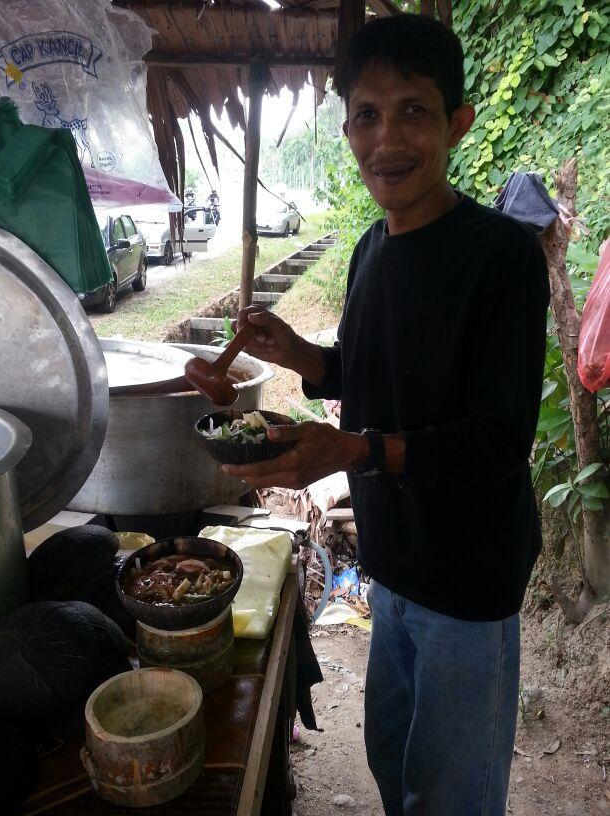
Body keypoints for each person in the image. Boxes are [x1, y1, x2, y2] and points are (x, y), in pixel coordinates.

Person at [223, 13, 550, 816]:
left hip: (469, 585)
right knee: (390, 760)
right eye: (367, 115)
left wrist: (354, 453)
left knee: (451, 797)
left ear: (457, 123)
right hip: (392, 570)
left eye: (414, 110)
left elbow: (499, 439)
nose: (388, 139)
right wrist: (300, 354)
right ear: (348, 128)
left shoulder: (500, 257)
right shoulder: (372, 249)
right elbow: (364, 371)